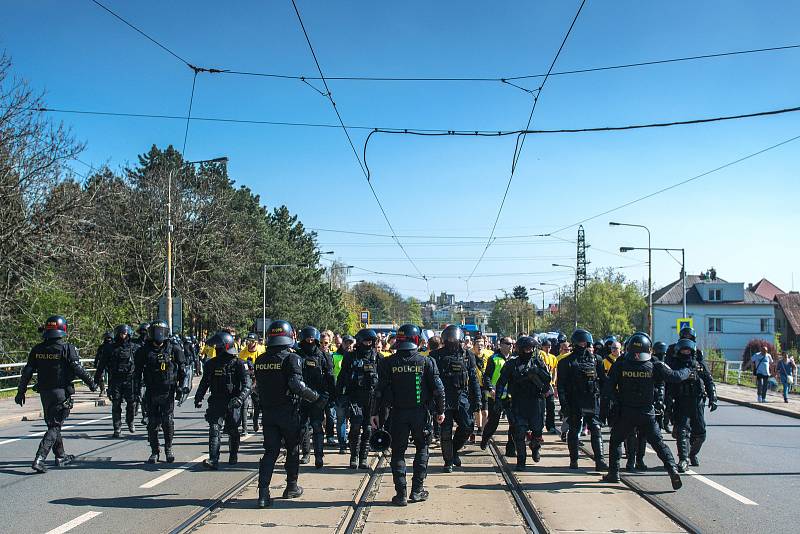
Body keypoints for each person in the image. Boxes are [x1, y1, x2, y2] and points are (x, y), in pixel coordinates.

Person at [600, 332, 688, 489]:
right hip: (647, 413)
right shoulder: (654, 364)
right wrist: (688, 371)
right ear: (649, 349)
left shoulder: (621, 363)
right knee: (659, 444)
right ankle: (672, 469)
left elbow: (608, 388)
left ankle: (614, 473)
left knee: (616, 441)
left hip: (626, 412)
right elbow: (675, 376)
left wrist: (614, 403)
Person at [371, 324, 445, 506]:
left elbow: (378, 390)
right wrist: (441, 411)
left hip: (397, 414)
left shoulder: (387, 362)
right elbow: (439, 390)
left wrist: (374, 413)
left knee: (398, 452)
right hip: (420, 413)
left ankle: (401, 494)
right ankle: (417, 491)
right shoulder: (427, 362)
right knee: (422, 448)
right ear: (417, 341)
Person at [255, 320, 326, 508]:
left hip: (269, 413)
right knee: (293, 449)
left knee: (270, 452)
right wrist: (317, 399)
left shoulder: (260, 360)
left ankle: (263, 494)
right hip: (289, 412)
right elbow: (297, 386)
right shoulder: (291, 358)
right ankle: (291, 486)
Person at [15, 315, 97, 473]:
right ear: (63, 329)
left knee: (53, 424)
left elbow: (27, 371)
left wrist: (21, 391)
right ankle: (40, 458)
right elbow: (78, 369)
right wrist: (92, 383)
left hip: (45, 393)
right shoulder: (67, 348)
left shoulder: (37, 349)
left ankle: (60, 456)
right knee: (55, 426)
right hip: (61, 392)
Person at [194, 331, 252, 469]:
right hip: (216, 401)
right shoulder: (211, 364)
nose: (216, 349)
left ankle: (233, 454)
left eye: (219, 346)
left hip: (233, 402)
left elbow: (247, 385)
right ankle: (213, 459)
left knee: (232, 430)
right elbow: (204, 382)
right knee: (214, 429)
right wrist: (198, 397)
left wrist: (240, 399)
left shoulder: (239, 364)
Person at [493, 336, 551, 471]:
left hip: (536, 403)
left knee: (537, 430)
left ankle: (535, 446)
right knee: (519, 432)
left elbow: (547, 379)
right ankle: (521, 460)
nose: (529, 351)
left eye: (531, 349)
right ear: (519, 349)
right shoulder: (511, 364)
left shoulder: (538, 362)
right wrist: (498, 401)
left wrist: (538, 371)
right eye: (526, 349)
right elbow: (501, 383)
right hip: (518, 402)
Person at [134, 320, 188, 464]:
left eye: (161, 332)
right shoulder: (144, 350)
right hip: (151, 391)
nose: (158, 335)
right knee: (152, 423)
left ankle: (168, 449)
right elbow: (137, 372)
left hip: (168, 391)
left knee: (167, 422)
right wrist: (136, 391)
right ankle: (154, 451)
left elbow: (183, 369)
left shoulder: (174, 349)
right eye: (156, 331)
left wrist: (182, 387)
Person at [430, 325, 481, 472]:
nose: (453, 341)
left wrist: (477, 399)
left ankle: (453, 451)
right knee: (445, 431)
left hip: (461, 397)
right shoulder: (435, 356)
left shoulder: (467, 355)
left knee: (467, 426)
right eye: (450, 339)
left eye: (455, 339)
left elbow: (473, 379)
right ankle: (448, 461)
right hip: (443, 398)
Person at [557, 329, 607, 470]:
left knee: (596, 429)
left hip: (592, 400)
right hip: (575, 401)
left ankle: (600, 460)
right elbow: (561, 386)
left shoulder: (596, 360)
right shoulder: (566, 362)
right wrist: (564, 404)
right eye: (580, 342)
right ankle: (574, 460)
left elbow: (603, 382)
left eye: (585, 342)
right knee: (574, 429)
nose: (583, 344)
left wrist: (607, 400)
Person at [666, 338, 717, 472]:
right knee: (683, 431)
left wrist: (713, 397)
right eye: (683, 349)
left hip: (697, 402)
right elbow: (669, 384)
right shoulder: (675, 365)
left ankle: (692, 454)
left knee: (700, 433)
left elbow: (709, 380)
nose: (685, 352)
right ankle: (683, 459)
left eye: (688, 349)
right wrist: (668, 403)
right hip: (681, 402)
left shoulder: (699, 364)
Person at [338, 329, 379, 469]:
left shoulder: (377, 357)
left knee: (367, 429)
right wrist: (339, 394)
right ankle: (354, 456)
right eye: (366, 341)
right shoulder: (350, 357)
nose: (368, 344)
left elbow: (384, 380)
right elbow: (342, 376)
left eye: (370, 341)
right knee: (355, 427)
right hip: (354, 396)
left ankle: (363, 457)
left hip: (371, 397)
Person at [297, 326, 335, 468]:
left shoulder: (324, 356)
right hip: (301, 396)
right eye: (307, 339)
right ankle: (306, 453)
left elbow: (330, 378)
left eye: (312, 339)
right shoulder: (298, 354)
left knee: (317, 426)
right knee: (303, 427)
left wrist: (331, 397)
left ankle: (319, 456)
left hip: (318, 397)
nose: (310, 341)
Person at [95, 324, 138, 438]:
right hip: (115, 380)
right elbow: (102, 364)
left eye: (125, 333)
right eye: (121, 333)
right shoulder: (110, 348)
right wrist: (95, 379)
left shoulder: (134, 347)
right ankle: (117, 428)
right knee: (116, 404)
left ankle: (130, 421)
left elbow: (141, 364)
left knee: (132, 404)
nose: (123, 335)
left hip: (130, 380)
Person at [480, 336, 515, 456]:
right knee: (493, 423)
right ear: (501, 344)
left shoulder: (514, 358)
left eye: (512, 344)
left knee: (514, 423)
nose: (511, 346)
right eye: (508, 343)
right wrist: (490, 389)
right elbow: (487, 376)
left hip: (510, 397)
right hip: (496, 397)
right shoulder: (493, 358)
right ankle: (485, 438)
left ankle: (511, 449)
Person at [331, 335, 354, 453]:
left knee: (354, 420)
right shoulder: (334, 356)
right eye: (346, 343)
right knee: (341, 419)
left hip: (354, 393)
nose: (349, 345)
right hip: (340, 392)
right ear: (342, 344)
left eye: (351, 343)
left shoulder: (356, 356)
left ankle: (352, 442)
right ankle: (342, 444)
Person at [538, 338, 559, 434]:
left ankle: (551, 426)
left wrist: (554, 382)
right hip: (540, 385)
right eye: (546, 347)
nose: (547, 349)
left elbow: (554, 370)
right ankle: (539, 426)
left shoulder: (553, 357)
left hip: (549, 385)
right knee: (541, 407)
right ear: (542, 347)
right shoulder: (540, 354)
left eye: (549, 347)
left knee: (551, 406)